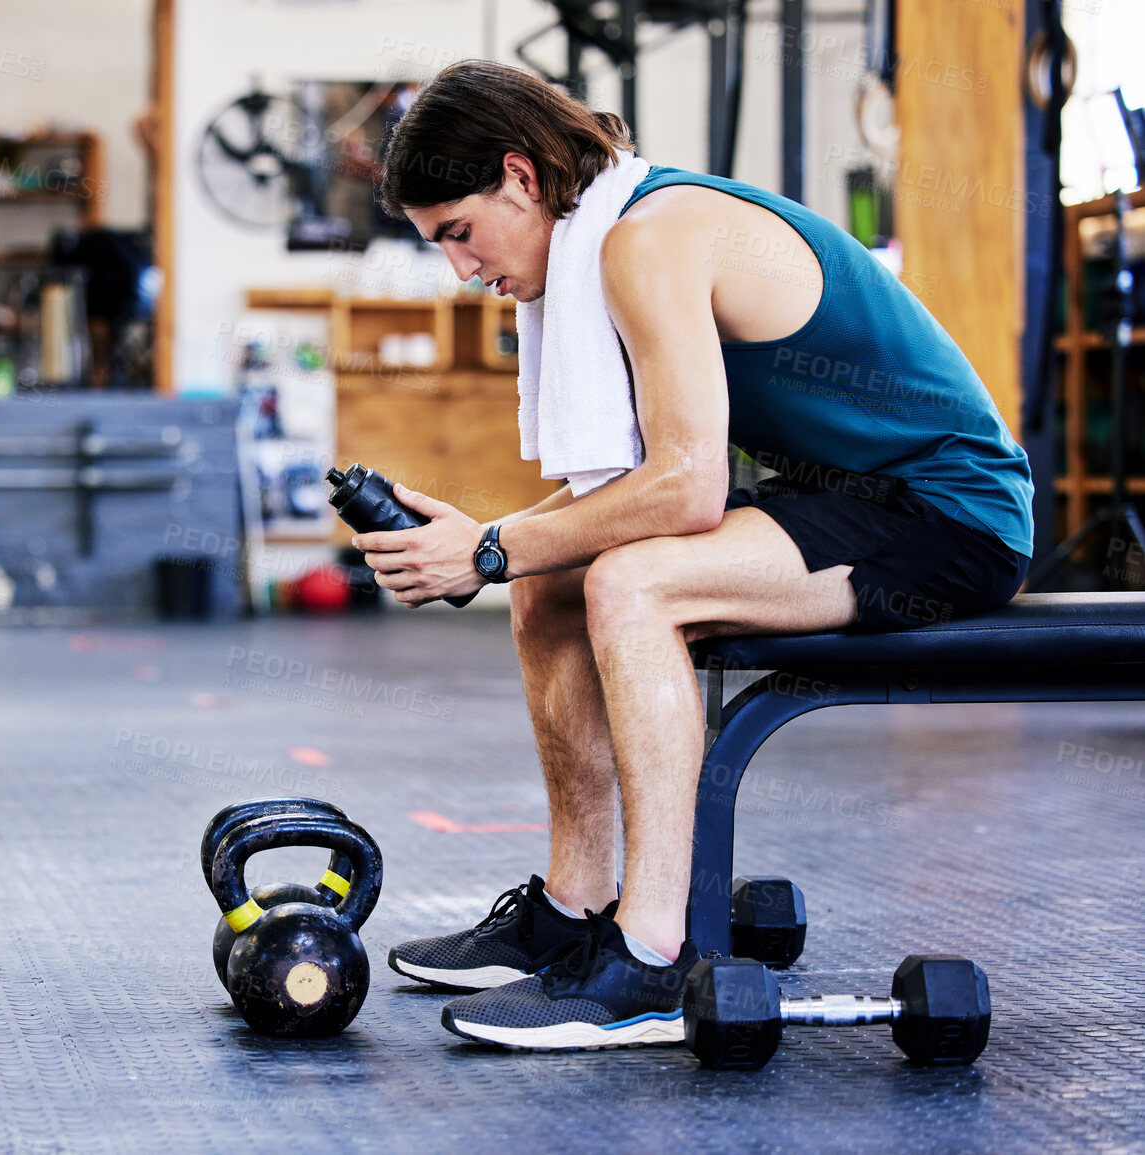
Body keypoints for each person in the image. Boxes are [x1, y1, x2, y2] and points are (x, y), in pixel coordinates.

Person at [353, 60, 1033, 1051]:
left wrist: (491, 547)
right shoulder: (611, 233)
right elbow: (638, 489)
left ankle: (651, 959)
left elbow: (684, 488)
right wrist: (501, 551)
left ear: (521, 177)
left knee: (634, 582)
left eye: (460, 232)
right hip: (840, 502)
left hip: (947, 515)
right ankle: (571, 909)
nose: (462, 271)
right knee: (548, 582)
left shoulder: (648, 240)